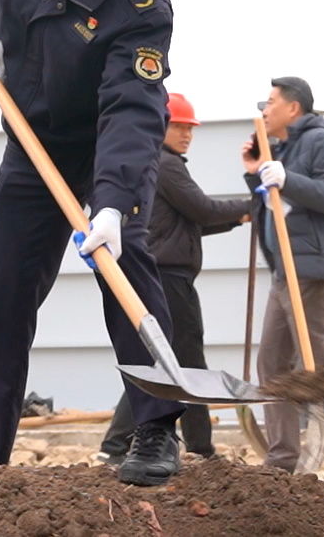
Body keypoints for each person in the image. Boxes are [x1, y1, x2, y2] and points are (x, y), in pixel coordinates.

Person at [0, 0, 188, 486]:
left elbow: (133, 107)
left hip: (105, 147)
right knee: (3, 298)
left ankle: (154, 429)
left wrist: (112, 201)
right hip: (33, 146)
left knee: (126, 262)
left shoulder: (141, 4)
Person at [96, 92, 249, 462]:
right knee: (182, 363)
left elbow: (190, 223)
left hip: (164, 274)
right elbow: (202, 209)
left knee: (170, 363)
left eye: (190, 128)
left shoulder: (158, 164)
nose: (187, 134)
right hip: (169, 278)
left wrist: (239, 217)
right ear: (160, 126)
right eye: (179, 127)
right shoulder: (166, 165)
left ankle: (129, 445)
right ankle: (186, 447)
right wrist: (254, 205)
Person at [243, 75, 324, 474]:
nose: (265, 109)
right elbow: (273, 205)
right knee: (272, 364)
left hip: (315, 270)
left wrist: (287, 178)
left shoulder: (321, 139)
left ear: (293, 108)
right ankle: (282, 457)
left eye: (271, 103)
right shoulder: (288, 146)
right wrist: (256, 171)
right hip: (288, 271)